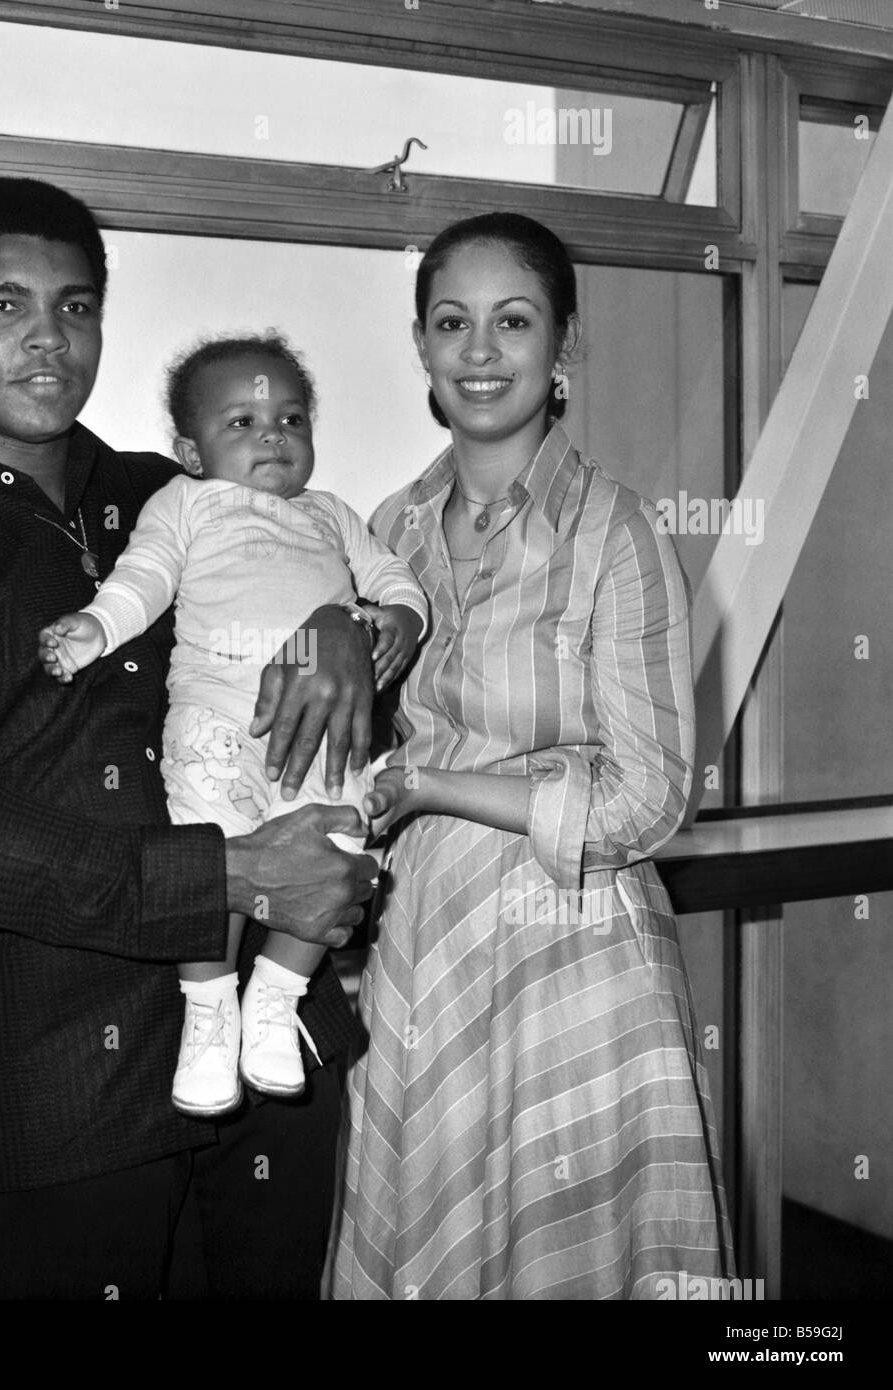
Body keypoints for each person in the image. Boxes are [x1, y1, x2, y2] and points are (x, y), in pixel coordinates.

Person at [0, 177, 383, 1300]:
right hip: (64, 1086)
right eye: (3, 306)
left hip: (274, 1051)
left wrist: (345, 626)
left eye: (75, 307)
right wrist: (234, 871)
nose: (47, 340)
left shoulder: (168, 492)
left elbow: (310, 658)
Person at [332, 213, 734, 1299]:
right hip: (423, 946)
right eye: (451, 322)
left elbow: (652, 798)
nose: (479, 351)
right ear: (419, 342)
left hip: (574, 954)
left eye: (513, 322)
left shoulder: (621, 532)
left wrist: (436, 786)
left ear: (564, 346)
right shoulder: (388, 528)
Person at [38, 334, 427, 1115]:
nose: (273, 435)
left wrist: (397, 621)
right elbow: (141, 579)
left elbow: (399, 586)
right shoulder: (184, 503)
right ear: (190, 449)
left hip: (323, 734)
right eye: (242, 422)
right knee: (209, 851)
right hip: (219, 718)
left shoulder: (332, 515)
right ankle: (209, 1012)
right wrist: (93, 628)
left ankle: (278, 996)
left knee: (340, 841)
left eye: (290, 418)